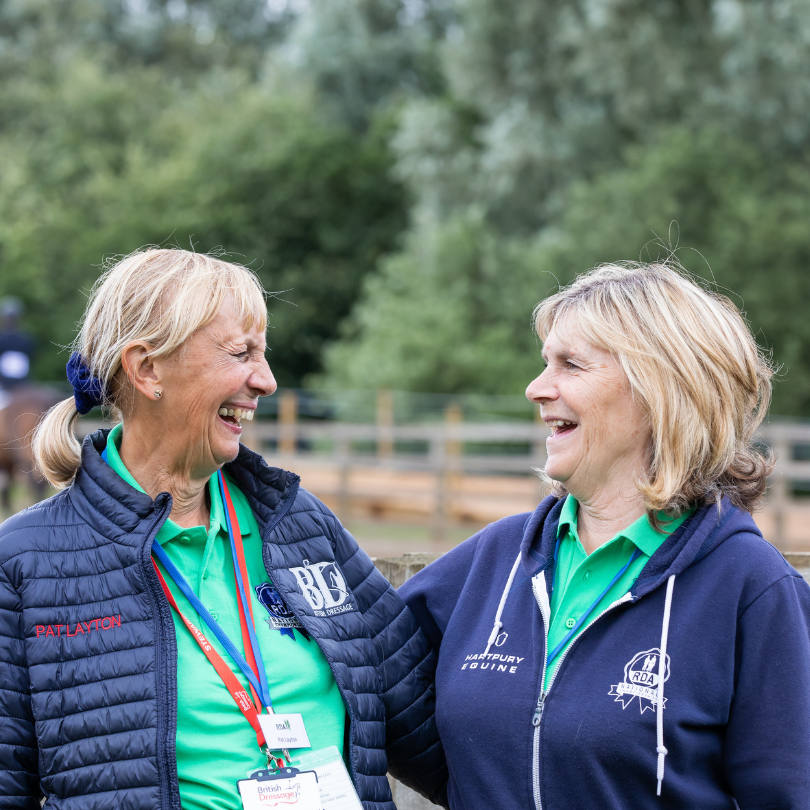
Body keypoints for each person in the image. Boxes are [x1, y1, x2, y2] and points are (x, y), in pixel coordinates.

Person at [0, 248, 445, 809]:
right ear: (147, 370)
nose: (266, 380)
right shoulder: (24, 561)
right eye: (241, 354)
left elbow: (437, 737)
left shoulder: (300, 523)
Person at [394, 261, 810, 809]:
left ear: (659, 389)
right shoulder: (497, 558)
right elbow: (366, 679)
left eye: (570, 364)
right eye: (546, 363)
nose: (536, 388)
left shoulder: (751, 588)